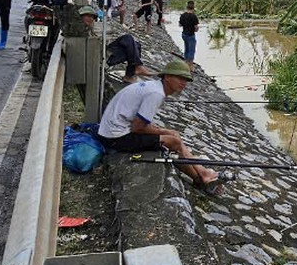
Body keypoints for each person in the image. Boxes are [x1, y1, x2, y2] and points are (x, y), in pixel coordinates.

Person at [96, 59, 232, 194]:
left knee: (173, 138)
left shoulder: (153, 87)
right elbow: (138, 127)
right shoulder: (156, 94)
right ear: (166, 77)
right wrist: (164, 131)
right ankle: (201, 176)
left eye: (186, 80)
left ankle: (202, 175)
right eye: (180, 78)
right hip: (115, 137)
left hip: (114, 130)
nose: (184, 83)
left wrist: (164, 132)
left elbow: (139, 122)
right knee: (174, 141)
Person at [80, 8, 152, 80]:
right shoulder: (79, 30)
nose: (91, 18)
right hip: (99, 59)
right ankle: (137, 67)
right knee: (128, 38)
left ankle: (130, 74)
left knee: (136, 45)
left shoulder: (90, 29)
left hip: (105, 54)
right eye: (88, 16)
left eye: (92, 17)